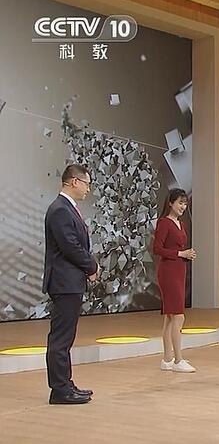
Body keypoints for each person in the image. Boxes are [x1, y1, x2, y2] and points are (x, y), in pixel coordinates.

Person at [43, 164, 98, 405]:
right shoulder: (60, 210)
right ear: (74, 181)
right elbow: (70, 246)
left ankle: (66, 384)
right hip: (64, 282)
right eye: (87, 183)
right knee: (61, 338)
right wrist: (92, 266)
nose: (88, 189)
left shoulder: (67, 208)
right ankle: (60, 390)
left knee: (66, 337)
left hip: (71, 282)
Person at [153, 188, 197, 373]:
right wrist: (180, 253)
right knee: (178, 316)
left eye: (185, 203)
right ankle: (178, 360)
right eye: (180, 203)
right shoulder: (164, 223)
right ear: (170, 203)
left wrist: (187, 255)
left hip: (179, 270)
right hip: (168, 272)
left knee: (170, 317)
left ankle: (167, 359)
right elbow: (157, 248)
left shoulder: (181, 224)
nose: (183, 207)